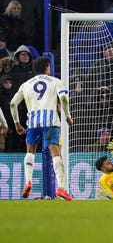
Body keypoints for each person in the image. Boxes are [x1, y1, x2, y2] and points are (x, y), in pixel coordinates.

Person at [10, 57, 74, 200]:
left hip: (32, 122)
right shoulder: (56, 81)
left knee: (30, 152)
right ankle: (62, 188)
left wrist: (16, 123)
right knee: (55, 154)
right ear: (47, 67)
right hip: (50, 121)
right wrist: (68, 116)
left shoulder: (26, 84)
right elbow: (63, 98)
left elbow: (13, 104)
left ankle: (28, 182)